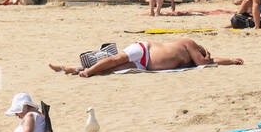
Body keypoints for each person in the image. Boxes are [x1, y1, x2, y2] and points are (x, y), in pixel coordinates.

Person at [51, 38, 244, 76]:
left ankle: (72, 69)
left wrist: (232, 60)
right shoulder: (190, 43)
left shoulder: (194, 58)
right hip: (145, 49)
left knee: (110, 70)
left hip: (145, 65)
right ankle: (89, 71)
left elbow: (211, 62)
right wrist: (207, 55)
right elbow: (205, 62)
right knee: (116, 60)